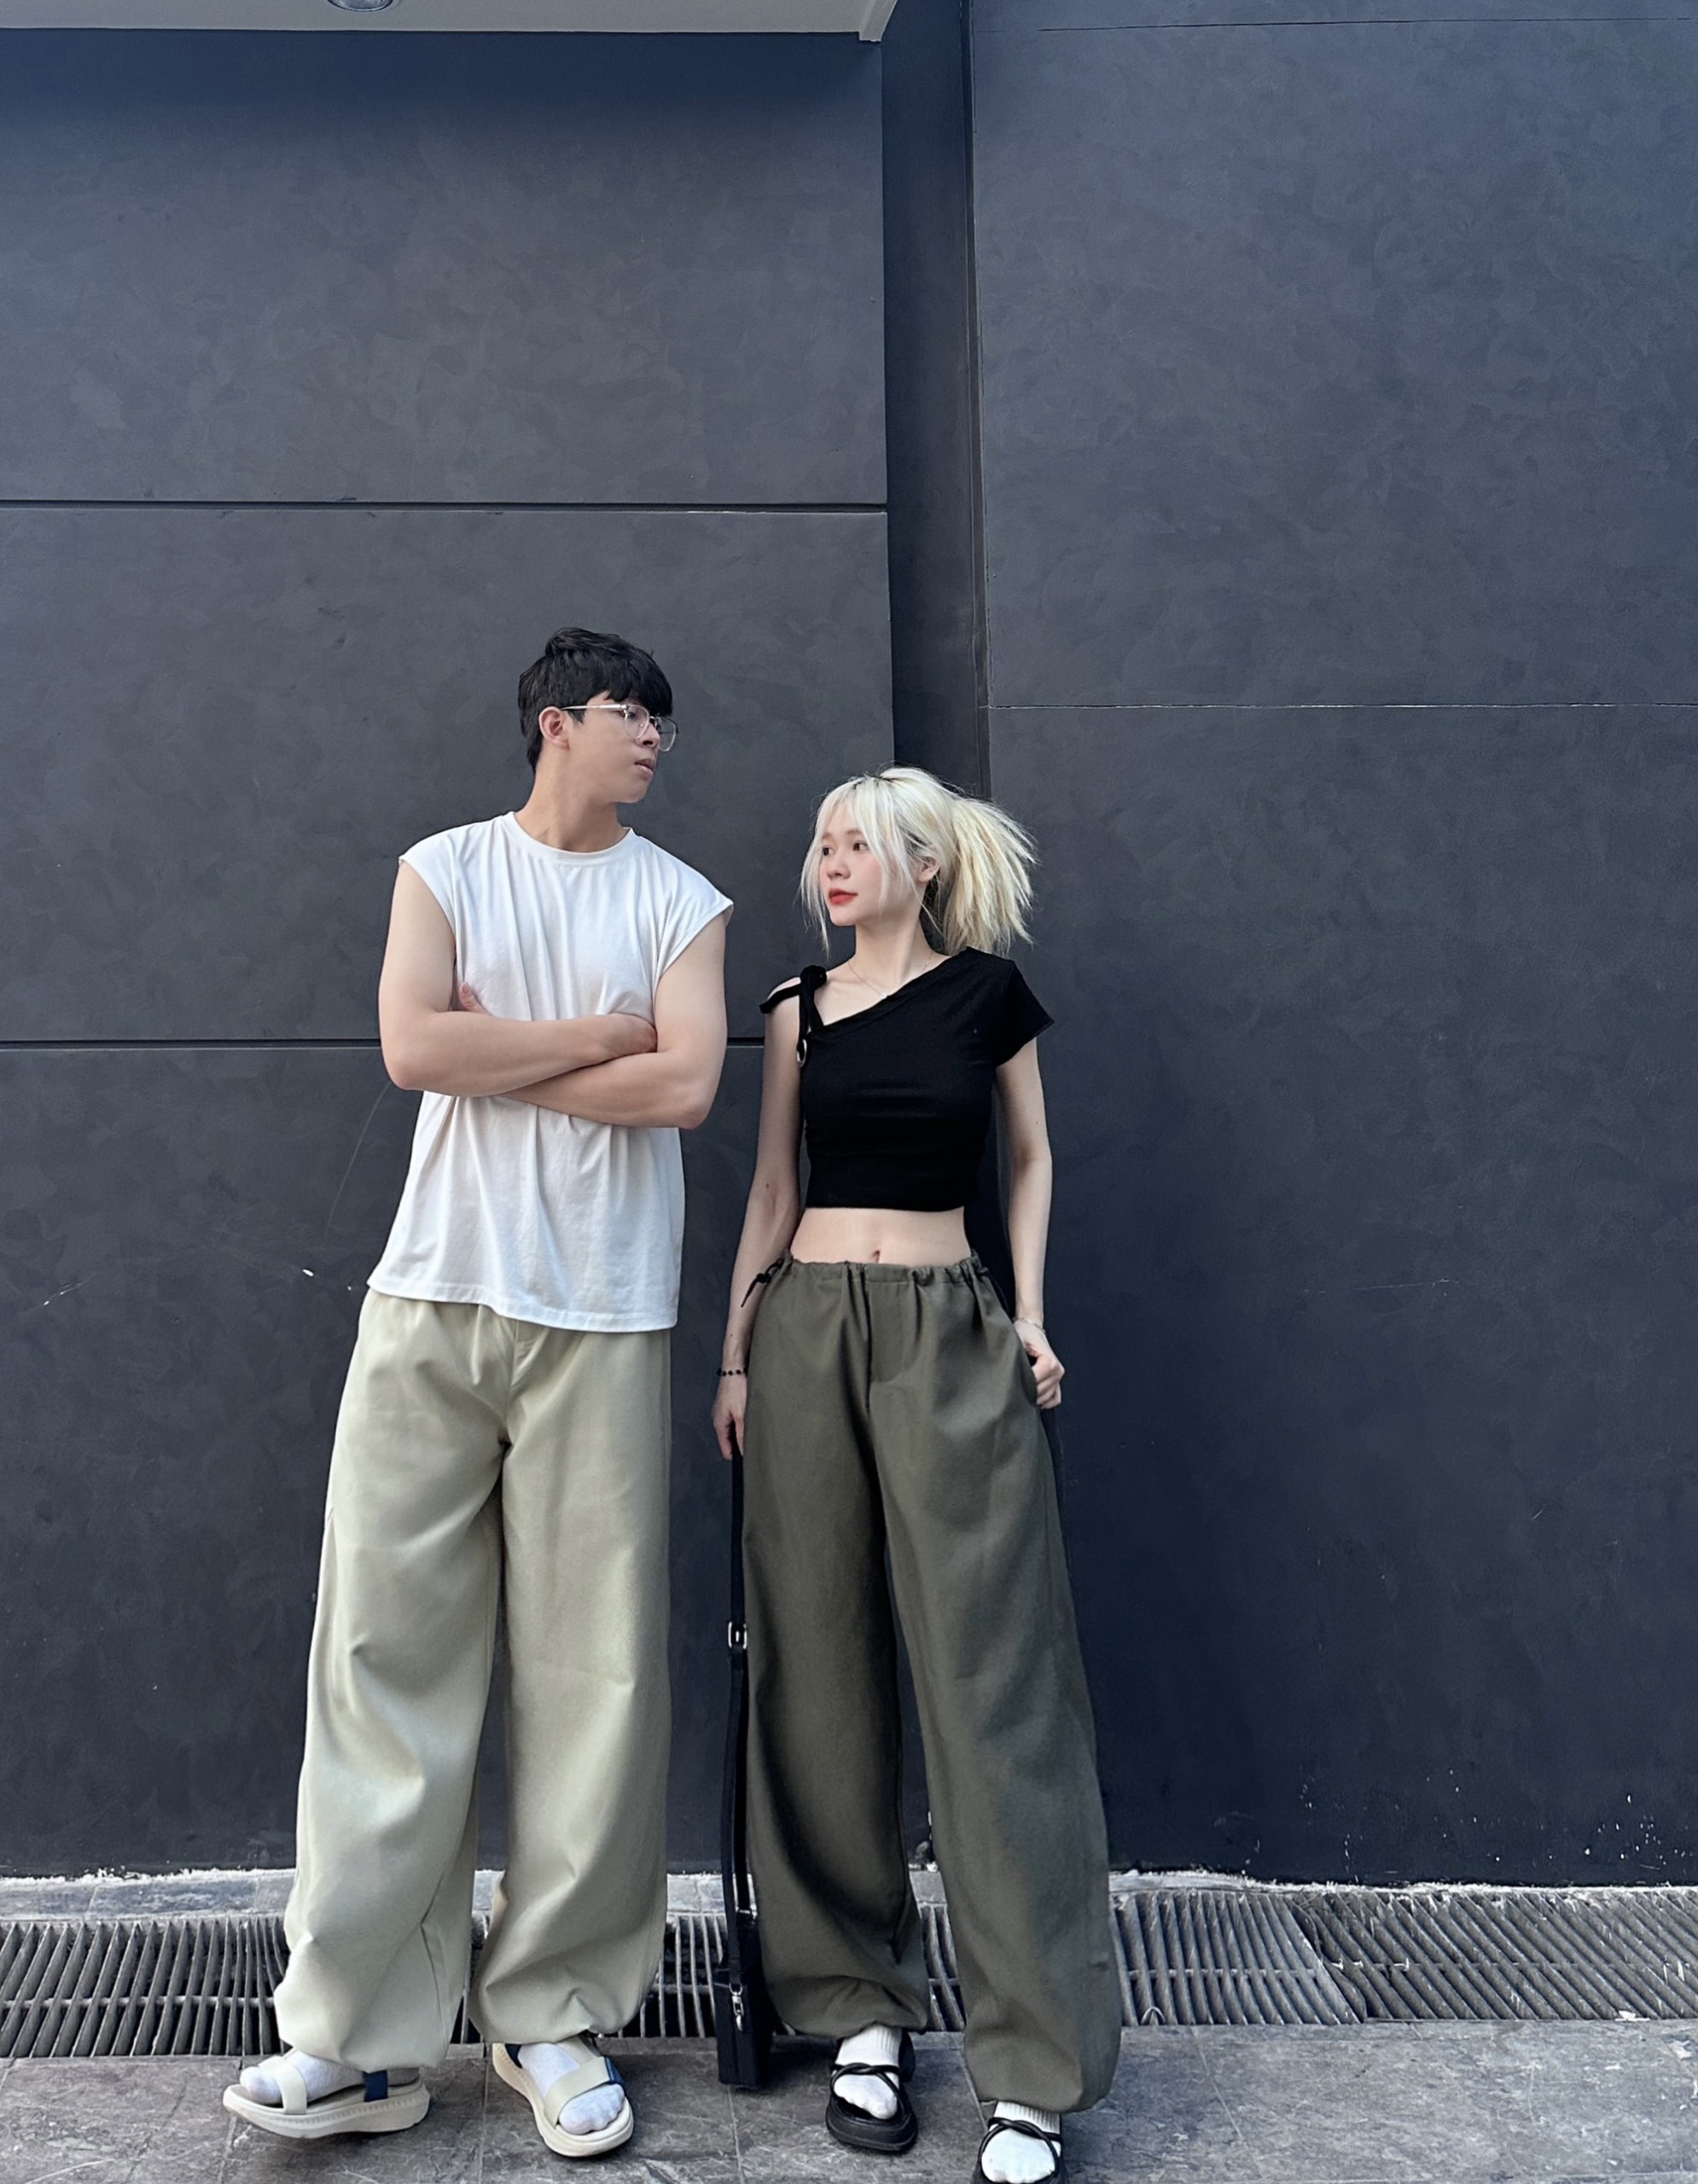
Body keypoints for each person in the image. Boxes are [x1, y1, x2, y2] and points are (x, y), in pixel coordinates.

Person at [226, 630, 731, 2157]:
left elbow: (686, 1087)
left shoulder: (682, 901)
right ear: (554, 723)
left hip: (604, 1314)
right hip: (431, 1297)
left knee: (596, 1678)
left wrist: (489, 1051)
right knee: (380, 1656)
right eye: (629, 712)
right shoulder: (443, 868)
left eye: (660, 719)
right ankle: (355, 2038)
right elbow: (409, 1046)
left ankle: (551, 2016)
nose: (653, 737)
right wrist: (589, 1038)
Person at [712, 766, 1119, 2184]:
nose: (831, 862)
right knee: (818, 1665)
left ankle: (1033, 2068)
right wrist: (734, 1358)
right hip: (807, 1330)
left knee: (994, 1680)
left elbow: (1032, 1158)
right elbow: (773, 1189)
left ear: (922, 862)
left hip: (951, 1328)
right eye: (821, 842)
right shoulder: (796, 1009)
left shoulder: (985, 998)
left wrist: (1031, 1318)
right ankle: (859, 2012)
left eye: (858, 843)